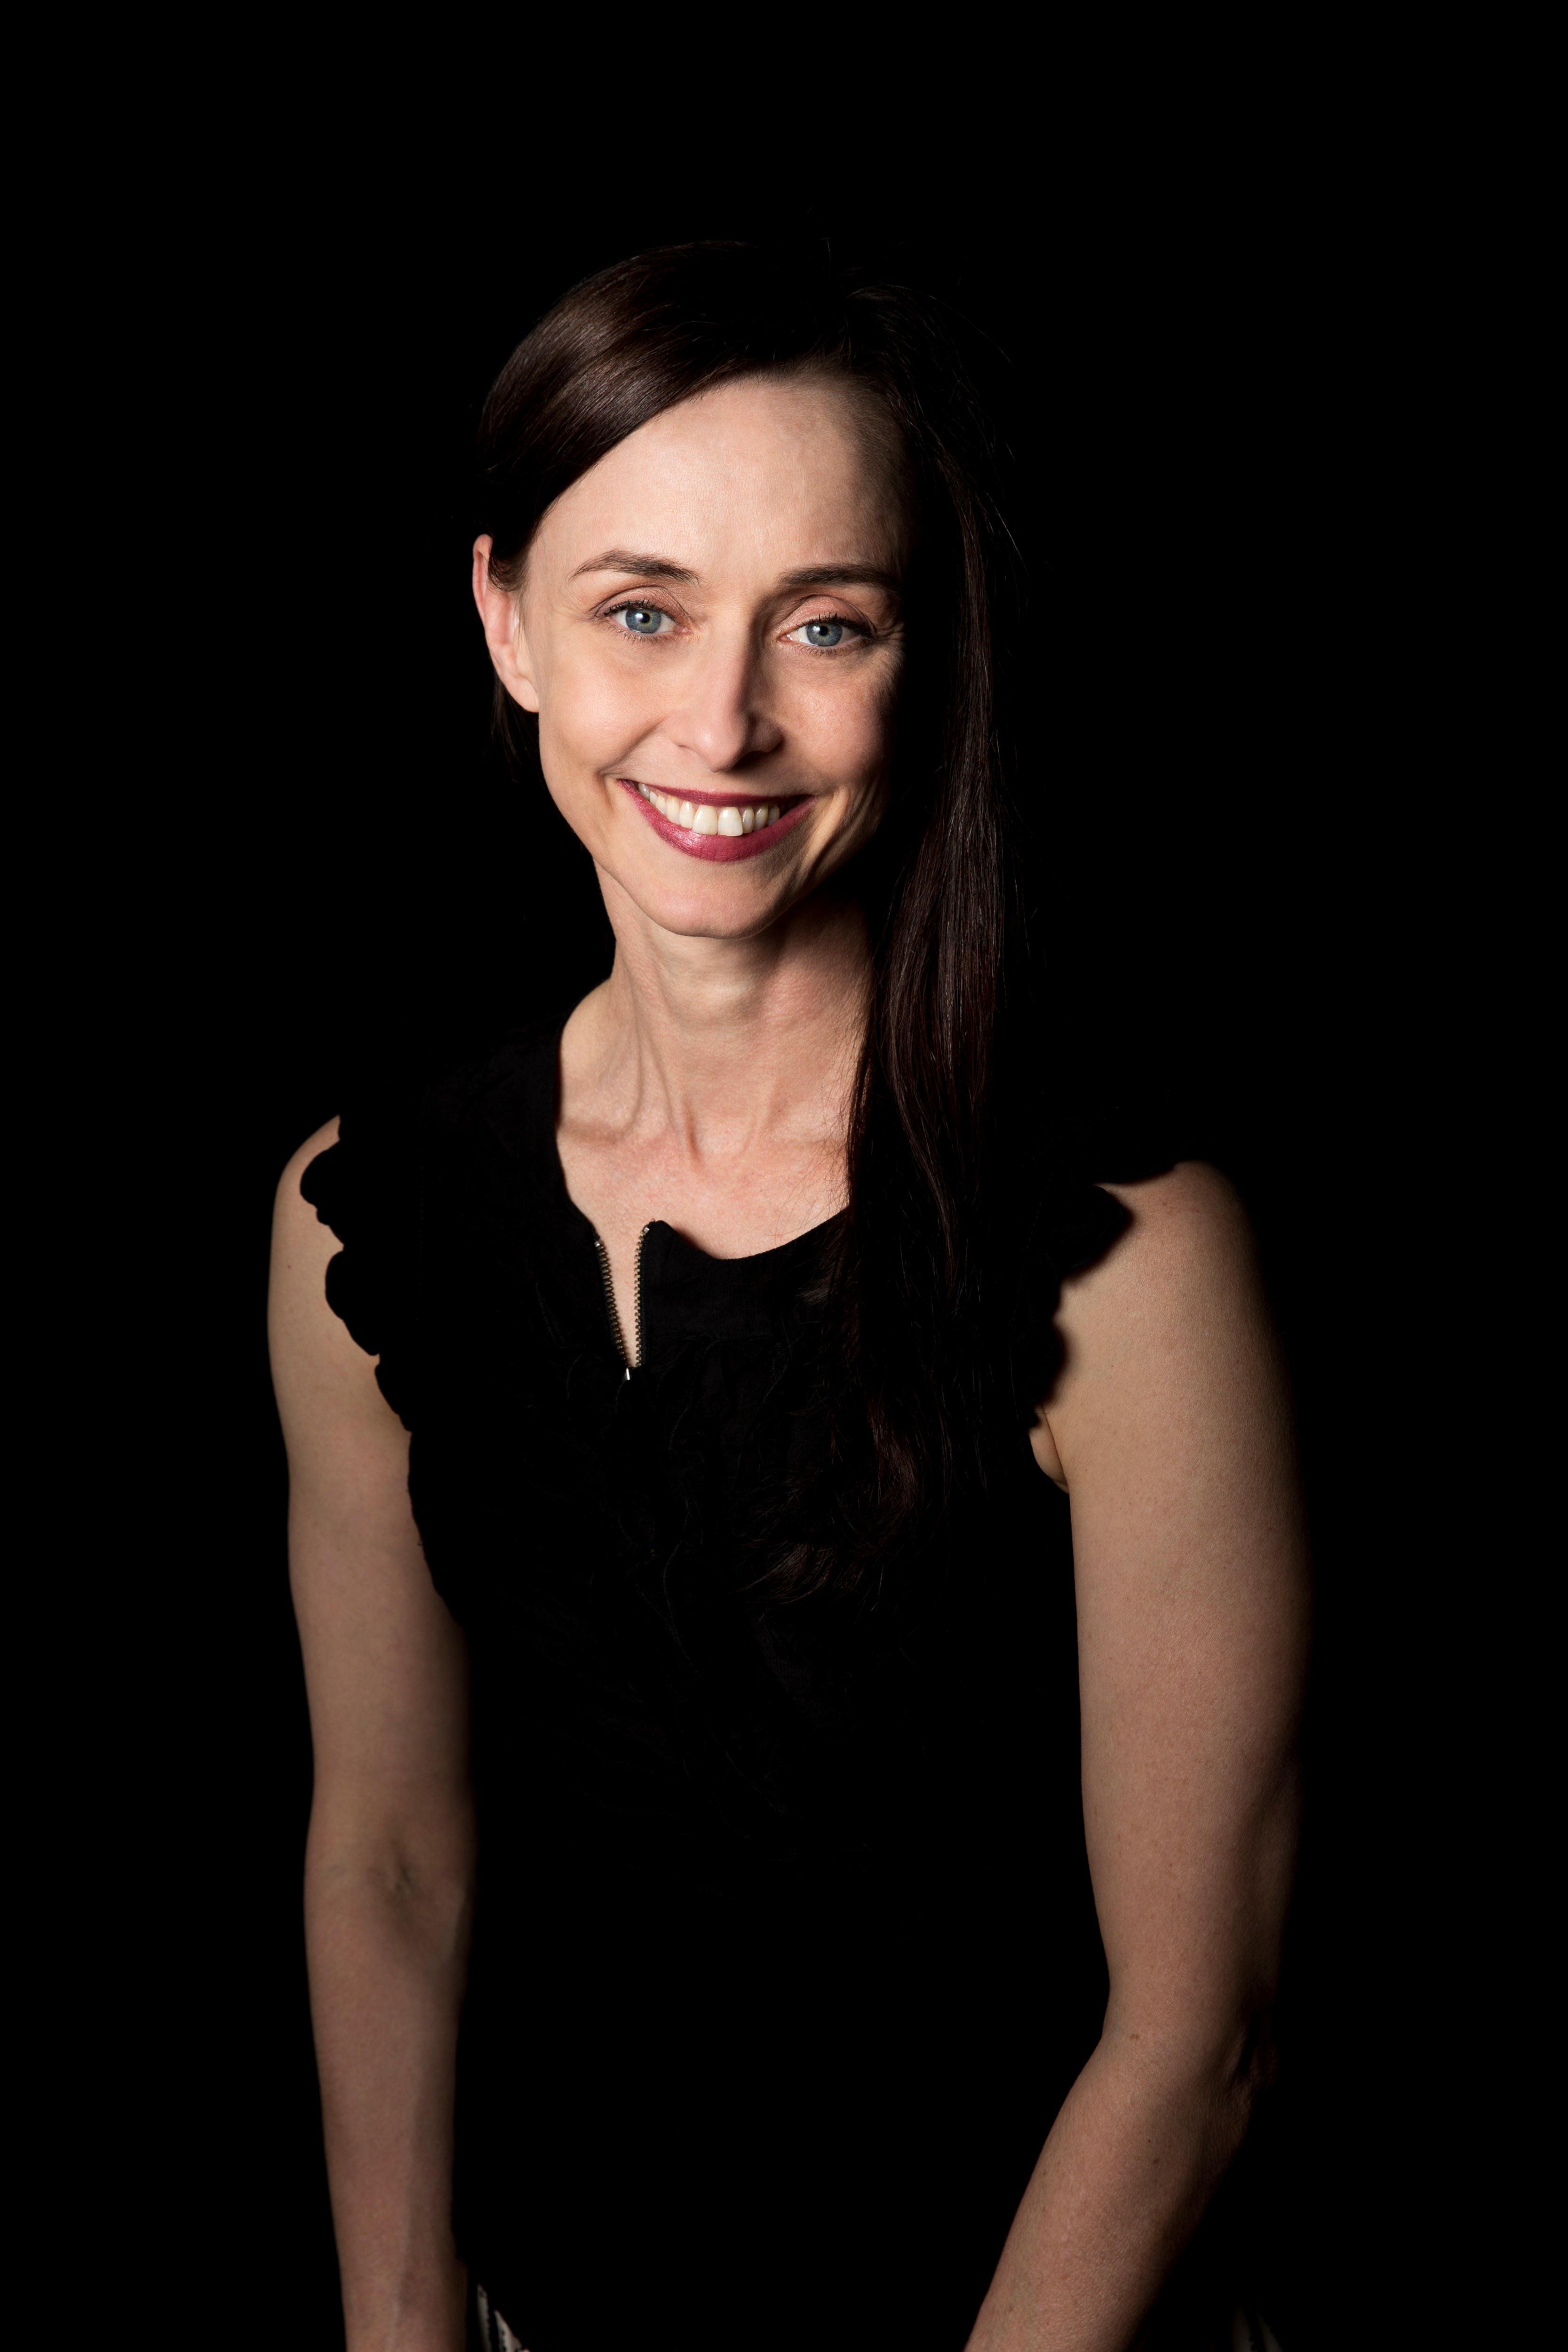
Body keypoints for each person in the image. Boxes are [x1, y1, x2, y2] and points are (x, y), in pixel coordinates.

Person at [268, 243, 1309, 2352]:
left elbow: (1199, 2028)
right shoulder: (360, 1217)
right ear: (506, 622)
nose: (724, 721)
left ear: (923, 662)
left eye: (824, 623)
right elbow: (388, 1855)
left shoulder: (1128, 1252)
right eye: (640, 609)